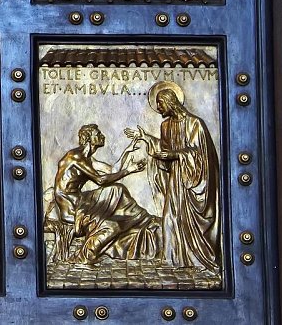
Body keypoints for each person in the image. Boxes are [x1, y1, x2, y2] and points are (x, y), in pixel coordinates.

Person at [125, 82, 221, 272]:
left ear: (170, 102)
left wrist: (176, 155)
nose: (158, 107)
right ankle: (173, 258)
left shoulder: (195, 124)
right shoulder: (166, 125)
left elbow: (201, 155)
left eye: (160, 103)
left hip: (192, 178)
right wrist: (146, 138)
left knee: (189, 218)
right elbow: (164, 150)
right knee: (171, 216)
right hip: (176, 178)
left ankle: (199, 258)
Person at [48, 124, 159, 265]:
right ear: (88, 138)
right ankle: (84, 256)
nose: (102, 136)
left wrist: (127, 151)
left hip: (81, 200)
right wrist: (128, 170)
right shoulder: (75, 157)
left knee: (117, 189)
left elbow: (112, 170)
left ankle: (143, 219)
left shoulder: (89, 159)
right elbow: (100, 180)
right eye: (98, 134)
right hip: (71, 207)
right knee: (111, 226)